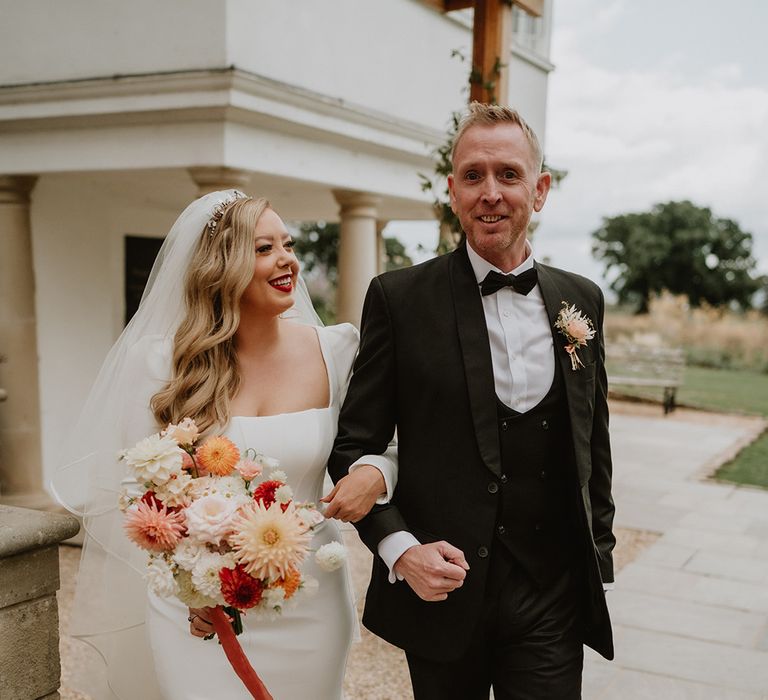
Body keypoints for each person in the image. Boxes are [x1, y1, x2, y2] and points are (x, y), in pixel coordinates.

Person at [53, 190, 396, 699]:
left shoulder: (337, 350)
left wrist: (376, 473)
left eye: (288, 244)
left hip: (310, 600)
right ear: (222, 267)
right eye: (263, 249)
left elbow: (392, 442)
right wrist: (192, 586)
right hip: (198, 610)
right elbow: (138, 493)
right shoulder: (162, 365)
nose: (287, 260)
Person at [329, 102, 615, 700]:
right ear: (453, 192)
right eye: (473, 175)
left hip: (550, 596)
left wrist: (600, 555)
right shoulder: (399, 299)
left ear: (539, 191)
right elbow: (355, 445)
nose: (491, 192)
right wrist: (401, 551)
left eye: (508, 174)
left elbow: (593, 438)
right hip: (444, 590)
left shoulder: (581, 298)